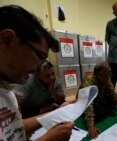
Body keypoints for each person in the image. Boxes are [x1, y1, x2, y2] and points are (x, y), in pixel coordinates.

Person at [0, 5, 73, 140]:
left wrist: (57, 113)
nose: (37, 69)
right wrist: (48, 138)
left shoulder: (6, 89)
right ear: (7, 39)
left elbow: (13, 128)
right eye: (40, 56)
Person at [80, 61, 117, 139]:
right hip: (85, 103)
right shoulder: (88, 81)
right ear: (99, 75)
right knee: (99, 112)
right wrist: (90, 125)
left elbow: (113, 93)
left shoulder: (106, 78)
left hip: (99, 100)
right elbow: (89, 102)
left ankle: (105, 109)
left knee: (113, 99)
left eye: (110, 73)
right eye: (107, 74)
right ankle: (105, 110)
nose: (109, 76)